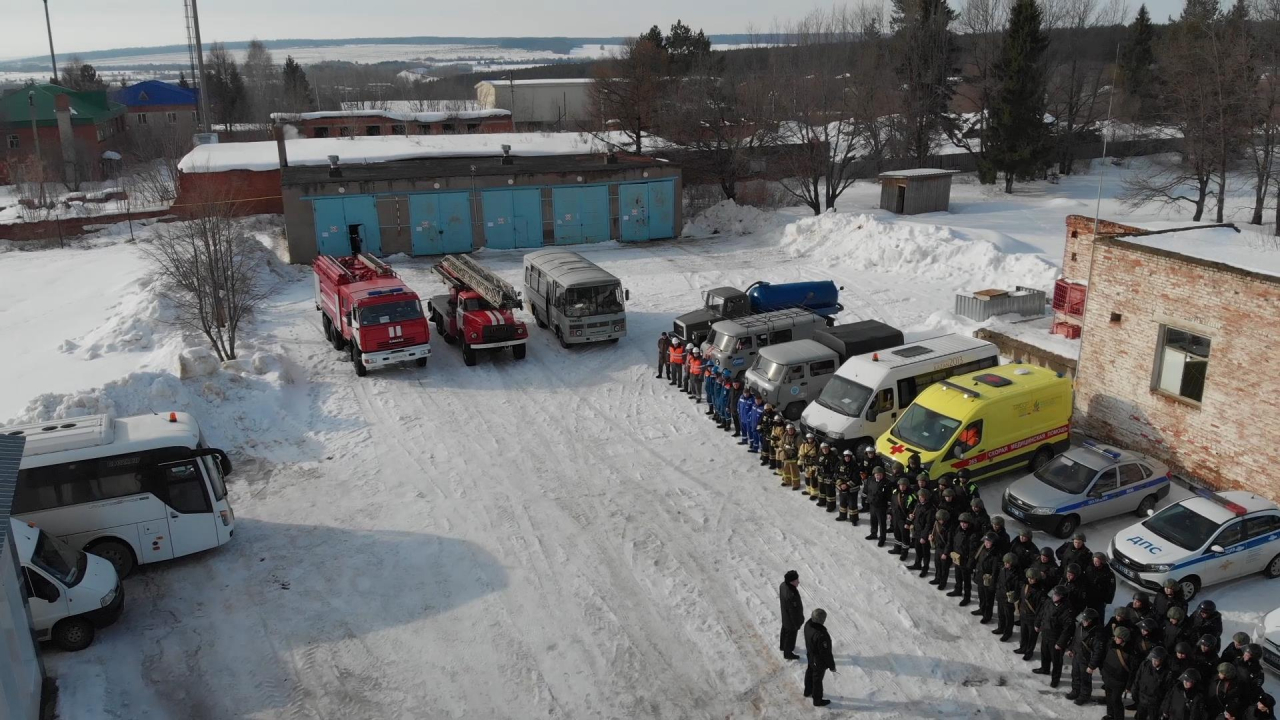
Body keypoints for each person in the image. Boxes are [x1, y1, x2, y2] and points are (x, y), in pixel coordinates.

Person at [1033, 585, 1076, 687]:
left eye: (1056, 595)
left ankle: (1055, 679)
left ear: (1062, 597)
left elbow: (1068, 630)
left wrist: (1060, 643)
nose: (1054, 596)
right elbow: (1042, 613)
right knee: (1044, 653)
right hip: (1046, 633)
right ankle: (1045, 668)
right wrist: (1037, 624)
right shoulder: (1049, 602)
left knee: (1056, 660)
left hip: (1056, 638)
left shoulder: (1067, 610)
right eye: (1054, 593)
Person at [1067, 607, 1106, 705]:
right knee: (1075, 675)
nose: (1084, 622)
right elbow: (1075, 639)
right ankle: (1075, 691)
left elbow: (1098, 652)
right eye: (1083, 619)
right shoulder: (1080, 626)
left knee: (1085, 679)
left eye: (1086, 620)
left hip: (1086, 660)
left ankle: (1084, 695)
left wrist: (1092, 665)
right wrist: (1071, 649)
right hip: (1077, 656)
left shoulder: (1097, 634)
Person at [803, 608, 836, 708]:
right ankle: (817, 700)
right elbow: (826, 653)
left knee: (809, 671)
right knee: (817, 680)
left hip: (810, 655)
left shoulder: (808, 625)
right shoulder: (821, 635)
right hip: (818, 661)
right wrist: (832, 666)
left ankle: (808, 691)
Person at [1130, 645, 1174, 720]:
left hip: (1155, 704)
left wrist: (1163, 707)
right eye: (1153, 659)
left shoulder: (1167, 673)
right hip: (1142, 700)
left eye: (1156, 660)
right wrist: (1134, 692)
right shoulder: (1145, 665)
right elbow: (1137, 679)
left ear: (1162, 660)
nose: (1154, 662)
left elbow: (1168, 692)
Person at [1101, 627, 1135, 720]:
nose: (1115, 638)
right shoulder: (1111, 645)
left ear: (1124, 638)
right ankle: (1110, 714)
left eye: (1117, 637)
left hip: (1119, 681)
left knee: (1116, 700)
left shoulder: (1130, 652)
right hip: (1108, 677)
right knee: (1108, 698)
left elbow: (1133, 671)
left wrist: (1128, 686)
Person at [949, 513, 981, 605]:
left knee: (966, 581)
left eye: (965, 523)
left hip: (966, 561)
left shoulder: (973, 535)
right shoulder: (958, 530)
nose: (963, 524)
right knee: (958, 577)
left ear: (969, 523)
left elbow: (973, 552)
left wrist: (970, 564)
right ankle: (957, 590)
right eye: (962, 522)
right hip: (957, 558)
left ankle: (967, 597)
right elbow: (955, 542)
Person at [1017, 568, 1047, 662]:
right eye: (1029, 578)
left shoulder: (1040, 591)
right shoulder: (1025, 586)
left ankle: (1029, 652)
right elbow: (1022, 599)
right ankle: (1023, 648)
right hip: (1023, 614)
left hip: (1032, 617)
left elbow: (1041, 609)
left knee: (1032, 637)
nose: (1030, 580)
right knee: (1023, 633)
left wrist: (1038, 622)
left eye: (1032, 578)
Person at [972, 533, 1001, 623]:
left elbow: (995, 571)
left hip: (988, 580)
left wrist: (992, 583)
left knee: (988, 599)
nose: (987, 543)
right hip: (981, 577)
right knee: (981, 595)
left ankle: (987, 615)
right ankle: (982, 609)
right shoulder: (983, 550)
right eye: (986, 541)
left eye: (989, 542)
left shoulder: (996, 555)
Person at [910, 489, 937, 575]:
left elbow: (929, 524)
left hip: (924, 533)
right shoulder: (918, 505)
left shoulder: (930, 509)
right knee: (917, 549)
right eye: (920, 496)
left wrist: (924, 537)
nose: (921, 498)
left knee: (925, 552)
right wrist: (911, 517)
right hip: (917, 531)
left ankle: (925, 568)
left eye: (922, 497)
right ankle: (917, 564)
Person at [779, 570, 804, 660]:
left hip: (785, 616)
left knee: (784, 631)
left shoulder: (783, 585)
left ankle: (783, 646)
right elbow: (793, 612)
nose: (798, 582)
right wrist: (797, 623)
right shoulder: (791, 594)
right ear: (792, 582)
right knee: (790, 636)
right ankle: (788, 653)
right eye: (797, 580)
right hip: (791, 620)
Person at [930, 508, 957, 591]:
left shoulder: (950, 528)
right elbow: (933, 531)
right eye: (939, 519)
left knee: (944, 568)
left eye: (942, 519)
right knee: (937, 565)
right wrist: (931, 536)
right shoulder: (936, 524)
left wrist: (945, 553)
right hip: (938, 548)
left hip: (945, 550)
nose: (940, 521)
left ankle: (943, 582)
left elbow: (949, 542)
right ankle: (937, 578)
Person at [1085, 551, 1117, 619]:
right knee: (1089, 611)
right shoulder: (1089, 568)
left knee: (1099, 614)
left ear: (1102, 561)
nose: (1095, 563)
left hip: (1100, 599)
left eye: (1097, 561)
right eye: (1094, 561)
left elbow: (1111, 588)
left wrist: (1107, 600)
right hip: (1089, 596)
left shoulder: (1108, 573)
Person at [890, 477, 915, 560]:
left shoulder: (911, 496)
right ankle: (897, 548)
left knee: (905, 536)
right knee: (896, 533)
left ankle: (904, 552)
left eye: (904, 485)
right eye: (901, 485)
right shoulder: (895, 492)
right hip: (896, 517)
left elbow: (912, 510)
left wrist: (908, 522)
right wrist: (890, 513)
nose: (902, 487)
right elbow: (892, 503)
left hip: (904, 519)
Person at [866, 466, 892, 544]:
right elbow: (868, 490)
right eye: (877, 474)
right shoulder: (870, 480)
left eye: (880, 475)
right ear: (874, 475)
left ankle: (882, 538)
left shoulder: (887, 483)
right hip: (872, 505)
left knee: (882, 523)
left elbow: (889, 496)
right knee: (873, 520)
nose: (879, 476)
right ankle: (873, 533)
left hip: (881, 506)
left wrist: (888, 508)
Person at [834, 449, 859, 522]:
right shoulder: (839, 464)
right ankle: (842, 516)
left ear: (851, 457)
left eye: (849, 457)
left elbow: (856, 478)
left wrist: (847, 485)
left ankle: (854, 519)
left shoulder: (855, 466)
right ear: (843, 457)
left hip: (852, 489)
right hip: (842, 487)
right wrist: (840, 484)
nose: (847, 458)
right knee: (842, 503)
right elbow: (836, 474)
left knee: (852, 505)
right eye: (845, 456)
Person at [818, 443, 840, 513]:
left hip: (829, 476)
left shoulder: (833, 457)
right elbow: (816, 462)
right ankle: (822, 501)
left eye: (826, 448)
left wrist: (833, 476)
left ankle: (831, 506)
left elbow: (837, 467)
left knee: (830, 492)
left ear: (829, 448)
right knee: (822, 490)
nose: (825, 450)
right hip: (821, 475)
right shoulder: (820, 455)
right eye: (823, 448)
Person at [799, 433, 821, 500]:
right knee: (807, 478)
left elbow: (819, 455)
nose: (810, 440)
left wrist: (818, 464)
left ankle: (814, 493)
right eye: (808, 438)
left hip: (814, 465)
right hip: (807, 464)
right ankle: (808, 490)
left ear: (813, 438)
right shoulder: (803, 445)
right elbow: (801, 454)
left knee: (814, 479)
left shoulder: (817, 446)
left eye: (811, 438)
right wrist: (800, 463)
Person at [780, 424, 801, 490]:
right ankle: (787, 481)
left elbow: (800, 448)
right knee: (786, 469)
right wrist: (784, 447)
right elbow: (781, 443)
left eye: (791, 429)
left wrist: (798, 456)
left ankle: (796, 484)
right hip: (786, 455)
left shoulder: (797, 437)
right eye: (789, 430)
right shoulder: (785, 435)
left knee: (794, 471)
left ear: (794, 429)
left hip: (793, 456)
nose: (790, 431)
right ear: (787, 430)